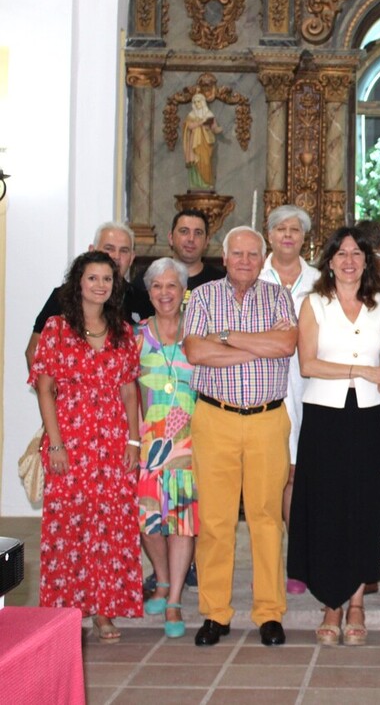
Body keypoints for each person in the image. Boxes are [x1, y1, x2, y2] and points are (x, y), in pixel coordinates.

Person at [183, 226, 298, 648]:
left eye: (253, 254)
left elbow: (286, 345)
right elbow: (195, 352)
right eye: (238, 254)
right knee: (216, 520)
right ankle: (216, 613)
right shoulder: (203, 296)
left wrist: (227, 338)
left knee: (267, 518)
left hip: (268, 420)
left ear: (262, 257)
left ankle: (269, 612)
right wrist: (257, 346)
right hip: (216, 418)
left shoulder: (278, 296)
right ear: (225, 256)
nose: (245, 261)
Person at [288, 227, 380, 646]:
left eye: (357, 254)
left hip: (369, 418)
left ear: (367, 262)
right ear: (329, 261)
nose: (349, 261)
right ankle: (330, 603)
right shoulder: (313, 303)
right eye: (341, 253)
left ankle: (356, 604)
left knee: (363, 508)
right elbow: (308, 365)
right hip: (324, 418)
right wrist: (359, 371)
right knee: (328, 510)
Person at [29, 251, 142, 643]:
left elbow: (130, 391)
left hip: (112, 444)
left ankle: (105, 612)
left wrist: (133, 438)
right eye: (92, 277)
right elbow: (44, 388)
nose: (100, 285)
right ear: (78, 283)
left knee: (111, 527)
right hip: (70, 442)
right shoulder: (57, 328)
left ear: (115, 286)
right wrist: (55, 442)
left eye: (107, 279)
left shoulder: (124, 332)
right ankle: (67, 615)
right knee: (68, 529)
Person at [259, 204, 322, 595]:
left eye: (295, 230)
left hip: (307, 386)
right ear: (269, 235)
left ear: (304, 238)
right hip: (261, 386)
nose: (287, 235)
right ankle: (269, 560)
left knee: (299, 475)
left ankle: (297, 560)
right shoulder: (252, 273)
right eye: (280, 229)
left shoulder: (319, 280)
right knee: (269, 477)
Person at [136, 258, 198, 638]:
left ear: (183, 290)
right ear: (149, 292)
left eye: (172, 286)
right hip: (148, 441)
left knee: (183, 522)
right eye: (157, 286)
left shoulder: (198, 332)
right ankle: (160, 578)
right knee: (149, 521)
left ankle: (173, 598)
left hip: (191, 439)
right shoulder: (136, 334)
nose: (165, 293)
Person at [27, 222, 143, 368]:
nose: (116, 257)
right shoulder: (63, 296)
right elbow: (33, 351)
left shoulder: (143, 300)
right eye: (109, 249)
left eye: (124, 251)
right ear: (92, 251)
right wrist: (49, 391)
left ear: (132, 258)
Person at [132, 209, 225, 316]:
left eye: (198, 233)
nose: (191, 239)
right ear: (171, 238)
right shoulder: (147, 278)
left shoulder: (221, 283)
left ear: (206, 242)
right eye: (184, 231)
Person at [183, 93, 223, 190]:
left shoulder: (209, 114)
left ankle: (206, 182)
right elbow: (189, 126)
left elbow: (214, 127)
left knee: (206, 160)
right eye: (195, 102)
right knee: (195, 161)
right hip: (195, 143)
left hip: (206, 141)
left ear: (203, 102)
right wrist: (200, 122)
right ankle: (196, 184)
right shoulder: (191, 115)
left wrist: (217, 129)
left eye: (199, 102)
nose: (197, 104)